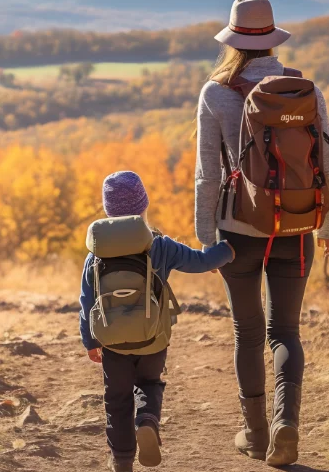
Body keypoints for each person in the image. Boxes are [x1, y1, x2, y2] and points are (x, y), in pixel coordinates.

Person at [194, 0, 329, 466]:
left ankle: (256, 437)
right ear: (274, 39)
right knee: (286, 332)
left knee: (247, 331)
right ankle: (287, 423)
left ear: (233, 42)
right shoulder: (303, 89)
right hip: (297, 225)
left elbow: (207, 174)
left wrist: (206, 238)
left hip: (238, 230)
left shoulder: (215, 92)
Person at [80, 171, 236, 472]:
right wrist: (226, 249)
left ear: (107, 209)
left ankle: (122, 460)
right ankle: (147, 420)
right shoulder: (160, 245)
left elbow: (86, 301)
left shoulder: (95, 253)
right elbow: (201, 262)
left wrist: (89, 341)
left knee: (116, 399)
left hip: (112, 342)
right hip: (153, 338)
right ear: (143, 205)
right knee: (150, 383)